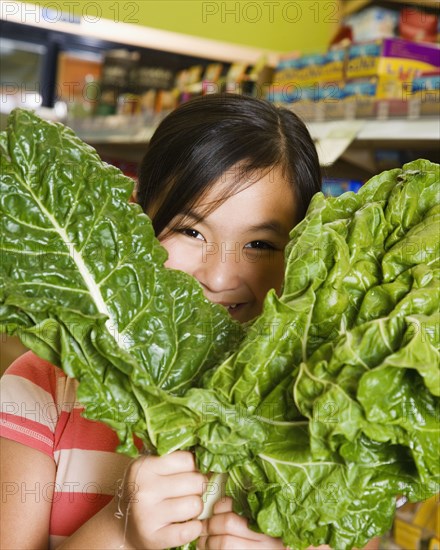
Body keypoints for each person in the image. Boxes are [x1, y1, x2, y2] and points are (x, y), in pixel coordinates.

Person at [0, 92, 352, 549]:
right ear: (136, 222)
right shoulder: (40, 387)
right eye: (191, 231)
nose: (221, 275)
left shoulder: (327, 410)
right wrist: (120, 532)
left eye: (261, 244)